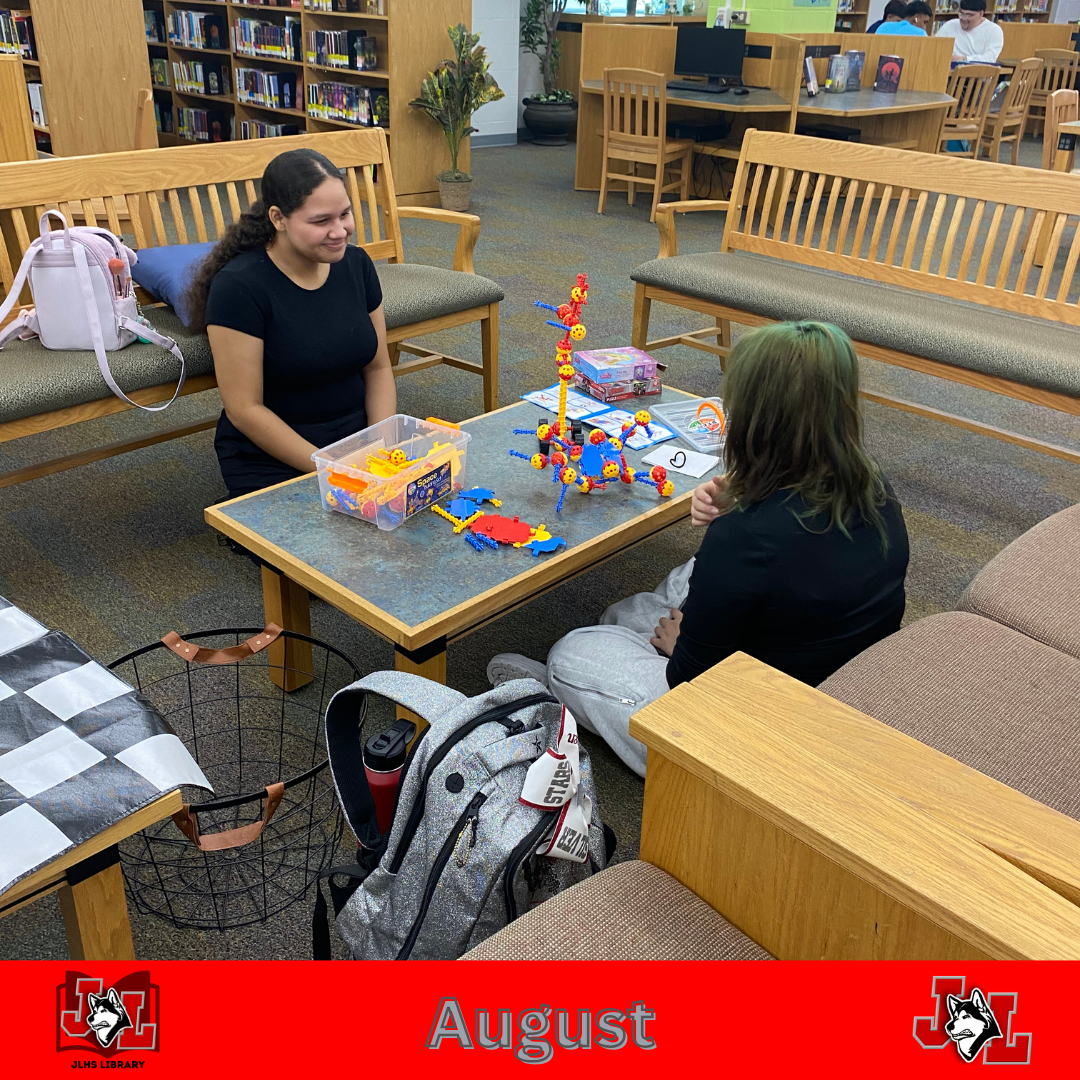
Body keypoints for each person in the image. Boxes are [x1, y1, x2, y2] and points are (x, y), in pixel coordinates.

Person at [486, 322, 910, 778]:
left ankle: (553, 691)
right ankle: (617, 653)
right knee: (644, 603)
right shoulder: (868, 480)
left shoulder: (747, 536)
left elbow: (688, 676)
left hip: (757, 727)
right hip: (823, 668)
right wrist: (743, 497)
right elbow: (779, 555)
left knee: (571, 653)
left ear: (755, 416)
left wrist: (680, 646)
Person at [184, 148, 397, 499]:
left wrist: (380, 447)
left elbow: (377, 367)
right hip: (274, 455)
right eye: (321, 221)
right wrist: (332, 468)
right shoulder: (239, 287)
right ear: (278, 218)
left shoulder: (356, 265)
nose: (340, 230)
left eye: (344, 214)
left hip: (355, 443)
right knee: (338, 547)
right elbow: (245, 410)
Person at [935, 0, 1003, 63]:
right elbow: (935, 46)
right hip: (948, 71)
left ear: (981, 14)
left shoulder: (994, 30)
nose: (964, 18)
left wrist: (964, 59)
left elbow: (989, 58)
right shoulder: (950, 25)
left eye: (969, 15)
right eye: (961, 14)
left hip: (977, 73)